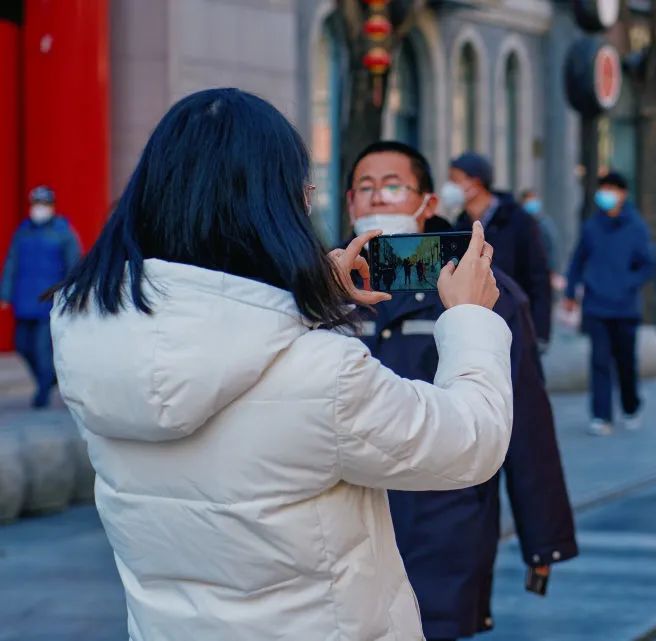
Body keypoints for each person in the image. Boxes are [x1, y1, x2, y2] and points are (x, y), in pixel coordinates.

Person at [48, 88, 511, 641]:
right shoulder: (323, 374)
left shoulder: (90, 345)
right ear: (272, 205)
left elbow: (224, 337)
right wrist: (468, 319)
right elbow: (469, 444)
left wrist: (310, 301)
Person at [345, 141, 578, 641]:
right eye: (365, 189)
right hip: (349, 521)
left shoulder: (479, 292)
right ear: (348, 204)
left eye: (392, 187)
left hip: (445, 521)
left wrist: (545, 541)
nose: (377, 200)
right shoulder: (325, 291)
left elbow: (526, 424)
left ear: (427, 203)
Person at [564, 172, 656, 436]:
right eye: (602, 189)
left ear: (622, 194)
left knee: (625, 362)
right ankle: (601, 415)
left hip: (625, 308)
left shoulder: (636, 227)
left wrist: (628, 282)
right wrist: (571, 293)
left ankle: (630, 406)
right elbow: (577, 260)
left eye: (611, 189)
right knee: (600, 361)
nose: (605, 194)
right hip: (596, 306)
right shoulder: (592, 226)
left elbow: (648, 264)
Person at [445, 153, 552, 346]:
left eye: (455, 180)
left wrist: (540, 332)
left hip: (515, 324)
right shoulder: (459, 225)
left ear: (475, 183)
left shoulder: (518, 220)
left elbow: (538, 277)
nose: (449, 188)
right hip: (475, 326)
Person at [0, 185, 81, 408]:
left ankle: (42, 394)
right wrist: (5, 293)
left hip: (48, 303)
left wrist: (72, 296)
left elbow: (74, 267)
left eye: (43, 204)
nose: (39, 209)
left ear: (52, 206)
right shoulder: (23, 231)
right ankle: (50, 378)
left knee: (43, 350)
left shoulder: (63, 233)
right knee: (22, 346)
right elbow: (11, 263)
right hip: (24, 301)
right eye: (36, 204)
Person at [519, 188, 559, 279]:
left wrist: (552, 269)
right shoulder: (519, 224)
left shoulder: (544, 223)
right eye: (529, 200)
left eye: (534, 199)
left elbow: (551, 246)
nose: (532, 204)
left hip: (541, 269)